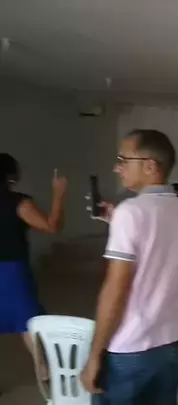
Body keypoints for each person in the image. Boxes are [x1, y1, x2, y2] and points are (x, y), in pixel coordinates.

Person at [80, 129, 178, 405]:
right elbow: (158, 243)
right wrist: (117, 220)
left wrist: (95, 354)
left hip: (128, 349)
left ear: (150, 166)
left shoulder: (131, 212)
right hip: (168, 345)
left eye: (123, 160)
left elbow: (116, 289)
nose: (116, 167)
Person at [0, 153, 67, 383]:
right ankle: (45, 372)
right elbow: (51, 226)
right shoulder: (19, 202)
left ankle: (45, 371)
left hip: (10, 270)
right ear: (11, 176)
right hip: (12, 271)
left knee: (26, 320)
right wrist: (58, 194)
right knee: (28, 321)